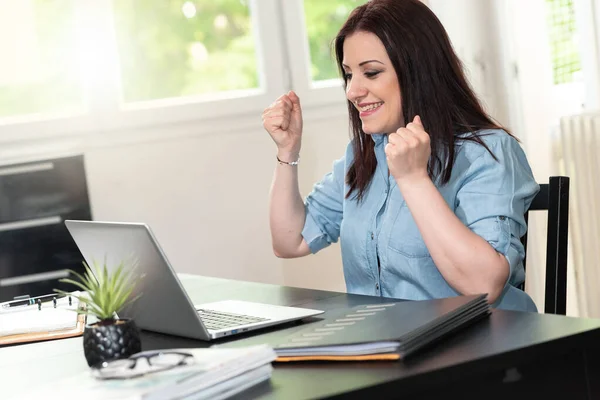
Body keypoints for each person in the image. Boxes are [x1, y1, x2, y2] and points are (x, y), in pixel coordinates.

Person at [261, 0, 539, 312]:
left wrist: (414, 180)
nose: (353, 90)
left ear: (419, 71)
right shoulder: (363, 155)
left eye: (371, 72)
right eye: (349, 74)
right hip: (387, 345)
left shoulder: (487, 152)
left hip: (480, 346)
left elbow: (483, 287)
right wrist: (288, 151)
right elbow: (290, 241)